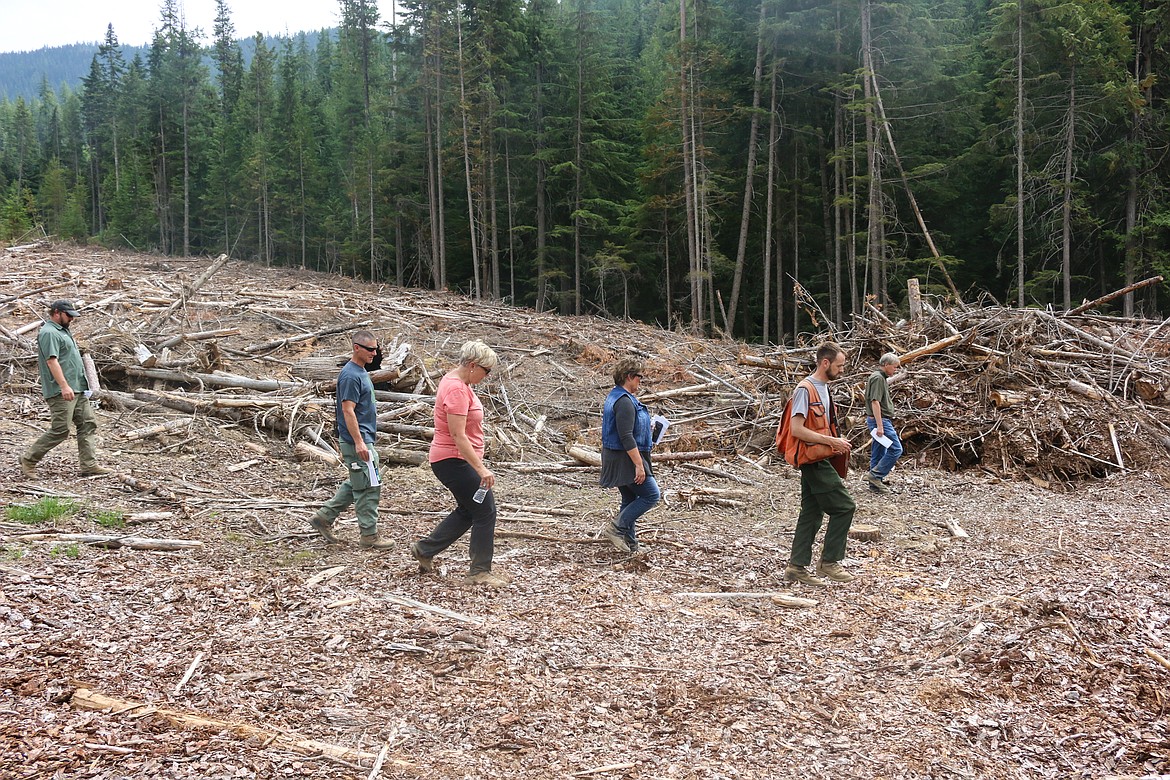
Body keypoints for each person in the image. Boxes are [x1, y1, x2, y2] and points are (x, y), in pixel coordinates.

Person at [409, 340, 507, 588]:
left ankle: (425, 549)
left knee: (468, 510)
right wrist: (480, 468)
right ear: (473, 365)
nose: (487, 376)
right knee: (485, 511)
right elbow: (458, 435)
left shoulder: (459, 382)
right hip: (454, 460)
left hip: (455, 459)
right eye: (486, 371)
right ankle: (479, 571)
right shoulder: (456, 389)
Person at [308, 330, 392, 549]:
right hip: (358, 441)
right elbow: (348, 410)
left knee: (359, 481)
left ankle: (324, 517)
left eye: (376, 348)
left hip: (363, 439)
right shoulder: (350, 375)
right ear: (357, 348)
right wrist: (359, 442)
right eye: (370, 349)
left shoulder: (361, 371)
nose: (375, 353)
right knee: (369, 486)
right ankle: (369, 536)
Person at [783, 342, 857, 587]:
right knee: (845, 506)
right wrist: (831, 441)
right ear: (825, 363)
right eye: (840, 365)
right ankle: (829, 562)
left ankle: (796, 567)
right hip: (812, 459)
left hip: (821, 456)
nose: (842, 369)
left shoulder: (825, 389)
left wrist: (833, 443)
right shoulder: (805, 389)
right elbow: (796, 429)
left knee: (811, 513)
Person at [19, 300, 110, 478]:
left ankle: (89, 465)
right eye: (68, 315)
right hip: (62, 391)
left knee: (87, 423)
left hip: (77, 388)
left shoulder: (63, 331)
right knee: (60, 429)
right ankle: (28, 459)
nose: (71, 319)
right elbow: (52, 361)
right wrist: (64, 386)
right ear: (56, 312)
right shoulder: (49, 332)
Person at [598, 358, 660, 554]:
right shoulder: (623, 401)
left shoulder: (619, 397)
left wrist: (646, 426)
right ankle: (616, 528)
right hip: (624, 458)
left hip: (618, 456)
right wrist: (639, 465)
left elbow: (627, 428)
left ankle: (630, 544)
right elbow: (625, 436)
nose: (640, 382)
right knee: (651, 495)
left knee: (630, 497)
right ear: (629, 377)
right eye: (639, 378)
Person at [865, 352, 904, 493]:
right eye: (894, 367)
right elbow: (875, 402)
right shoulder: (877, 378)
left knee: (879, 451)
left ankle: (875, 484)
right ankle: (876, 475)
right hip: (879, 421)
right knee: (896, 449)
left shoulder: (880, 377)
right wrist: (880, 425)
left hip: (878, 420)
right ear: (886, 365)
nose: (895, 370)